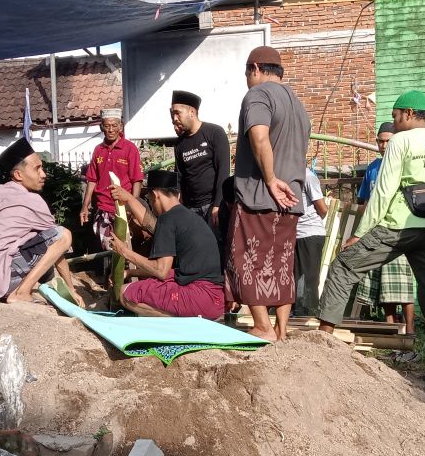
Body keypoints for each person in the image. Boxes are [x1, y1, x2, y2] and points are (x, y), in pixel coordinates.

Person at [318, 90, 425, 386]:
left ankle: (321, 347)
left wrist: (359, 233)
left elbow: (384, 190)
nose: (394, 123)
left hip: (400, 226)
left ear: (407, 113)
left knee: (344, 266)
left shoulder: (401, 141)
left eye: (395, 116)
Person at [226, 45, 312, 341]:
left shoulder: (258, 95)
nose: (248, 79)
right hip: (291, 201)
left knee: (246, 259)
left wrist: (271, 178)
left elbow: (259, 136)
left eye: (247, 73)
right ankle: (282, 329)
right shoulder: (297, 104)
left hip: (260, 196)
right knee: (281, 264)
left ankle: (263, 326)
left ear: (256, 69)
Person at [0, 139, 80, 303]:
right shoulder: (32, 200)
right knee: (63, 234)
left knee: (38, 244)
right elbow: (58, 246)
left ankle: (33, 289)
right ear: (18, 175)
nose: (43, 174)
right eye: (37, 169)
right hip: (2, 281)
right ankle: (22, 292)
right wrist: (71, 289)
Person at [113, 170, 225, 320]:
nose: (151, 204)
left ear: (155, 195)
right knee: (157, 279)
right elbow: (150, 223)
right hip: (216, 299)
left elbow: (161, 270)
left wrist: (124, 252)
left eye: (150, 200)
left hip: (200, 299)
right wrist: (131, 273)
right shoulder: (187, 216)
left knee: (125, 293)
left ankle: (181, 320)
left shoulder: (168, 219)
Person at [357, 116, 415, 333]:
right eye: (380, 141)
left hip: (399, 230)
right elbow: (363, 201)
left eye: (388, 141)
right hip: (376, 232)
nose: (383, 145)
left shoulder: (404, 163)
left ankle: (409, 329)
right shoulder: (372, 168)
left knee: (402, 284)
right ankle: (391, 329)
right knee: (385, 286)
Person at [80, 109, 143, 250]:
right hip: (103, 208)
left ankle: (126, 273)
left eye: (114, 126)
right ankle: (108, 272)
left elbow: (136, 180)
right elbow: (92, 180)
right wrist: (85, 206)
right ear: (101, 127)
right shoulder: (98, 150)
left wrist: (133, 206)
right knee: (107, 248)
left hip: (123, 208)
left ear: (120, 126)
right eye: (107, 126)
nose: (110, 130)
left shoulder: (130, 149)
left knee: (124, 248)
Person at [171, 90, 230, 225]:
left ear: (192, 112)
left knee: (215, 244)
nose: (174, 118)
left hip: (212, 207)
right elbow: (179, 178)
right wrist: (181, 208)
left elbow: (223, 171)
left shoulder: (215, 133)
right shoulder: (180, 144)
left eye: (177, 113)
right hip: (190, 210)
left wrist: (218, 205)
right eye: (173, 113)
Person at [294, 167, 328, 317]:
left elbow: (323, 209)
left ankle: (310, 313)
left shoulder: (308, 176)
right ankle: (298, 311)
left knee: (309, 277)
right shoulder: (288, 174)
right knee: (296, 276)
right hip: (294, 234)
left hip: (311, 233)